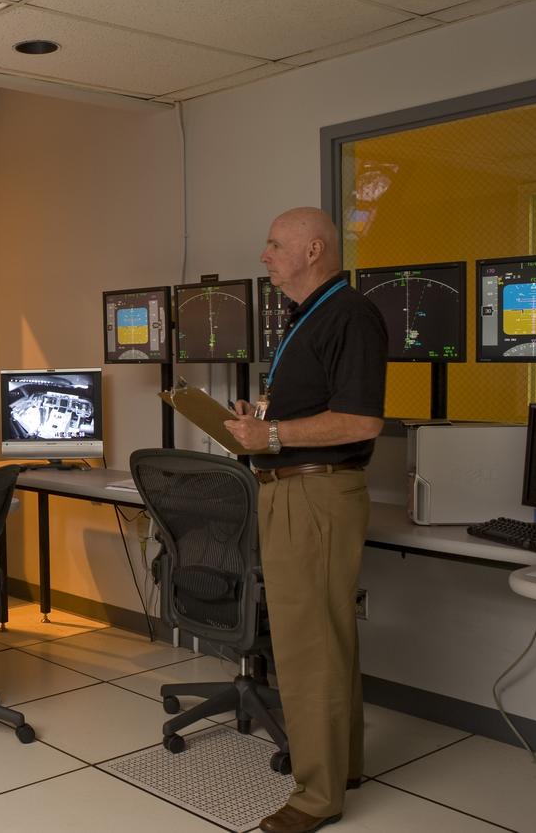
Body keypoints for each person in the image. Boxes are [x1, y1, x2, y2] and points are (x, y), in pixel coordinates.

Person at [224, 207, 388, 833]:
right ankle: (341, 768)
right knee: (327, 639)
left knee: (308, 646)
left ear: (313, 250)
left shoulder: (350, 315)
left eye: (274, 245)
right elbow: (313, 410)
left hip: (314, 494)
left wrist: (272, 435)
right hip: (295, 490)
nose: (264, 256)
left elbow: (361, 421)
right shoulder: (310, 315)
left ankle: (317, 797)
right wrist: (260, 423)